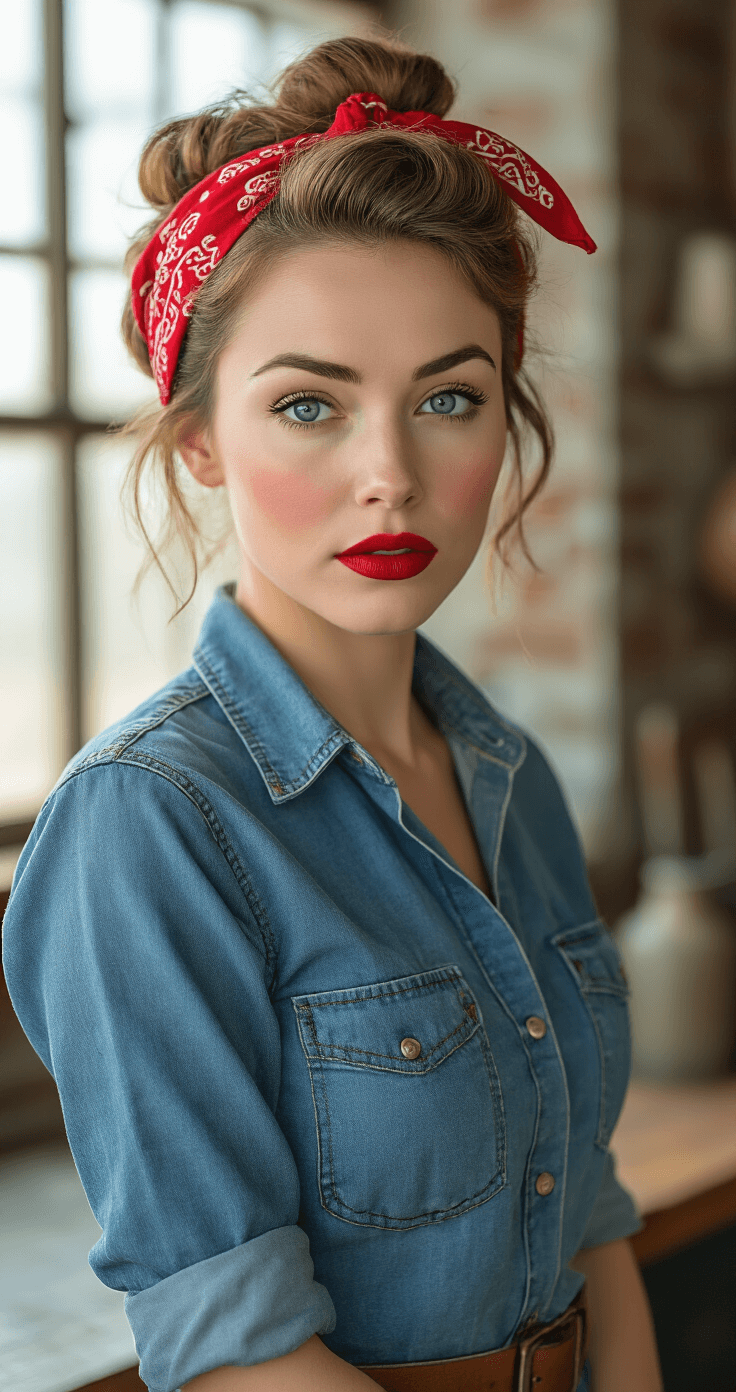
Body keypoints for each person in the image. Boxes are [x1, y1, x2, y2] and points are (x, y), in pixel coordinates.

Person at [2, 33, 663, 1392]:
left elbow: (588, 1220)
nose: (392, 475)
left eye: (450, 399)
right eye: (310, 403)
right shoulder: (148, 825)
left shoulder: (509, 773)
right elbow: (238, 1346)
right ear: (199, 440)